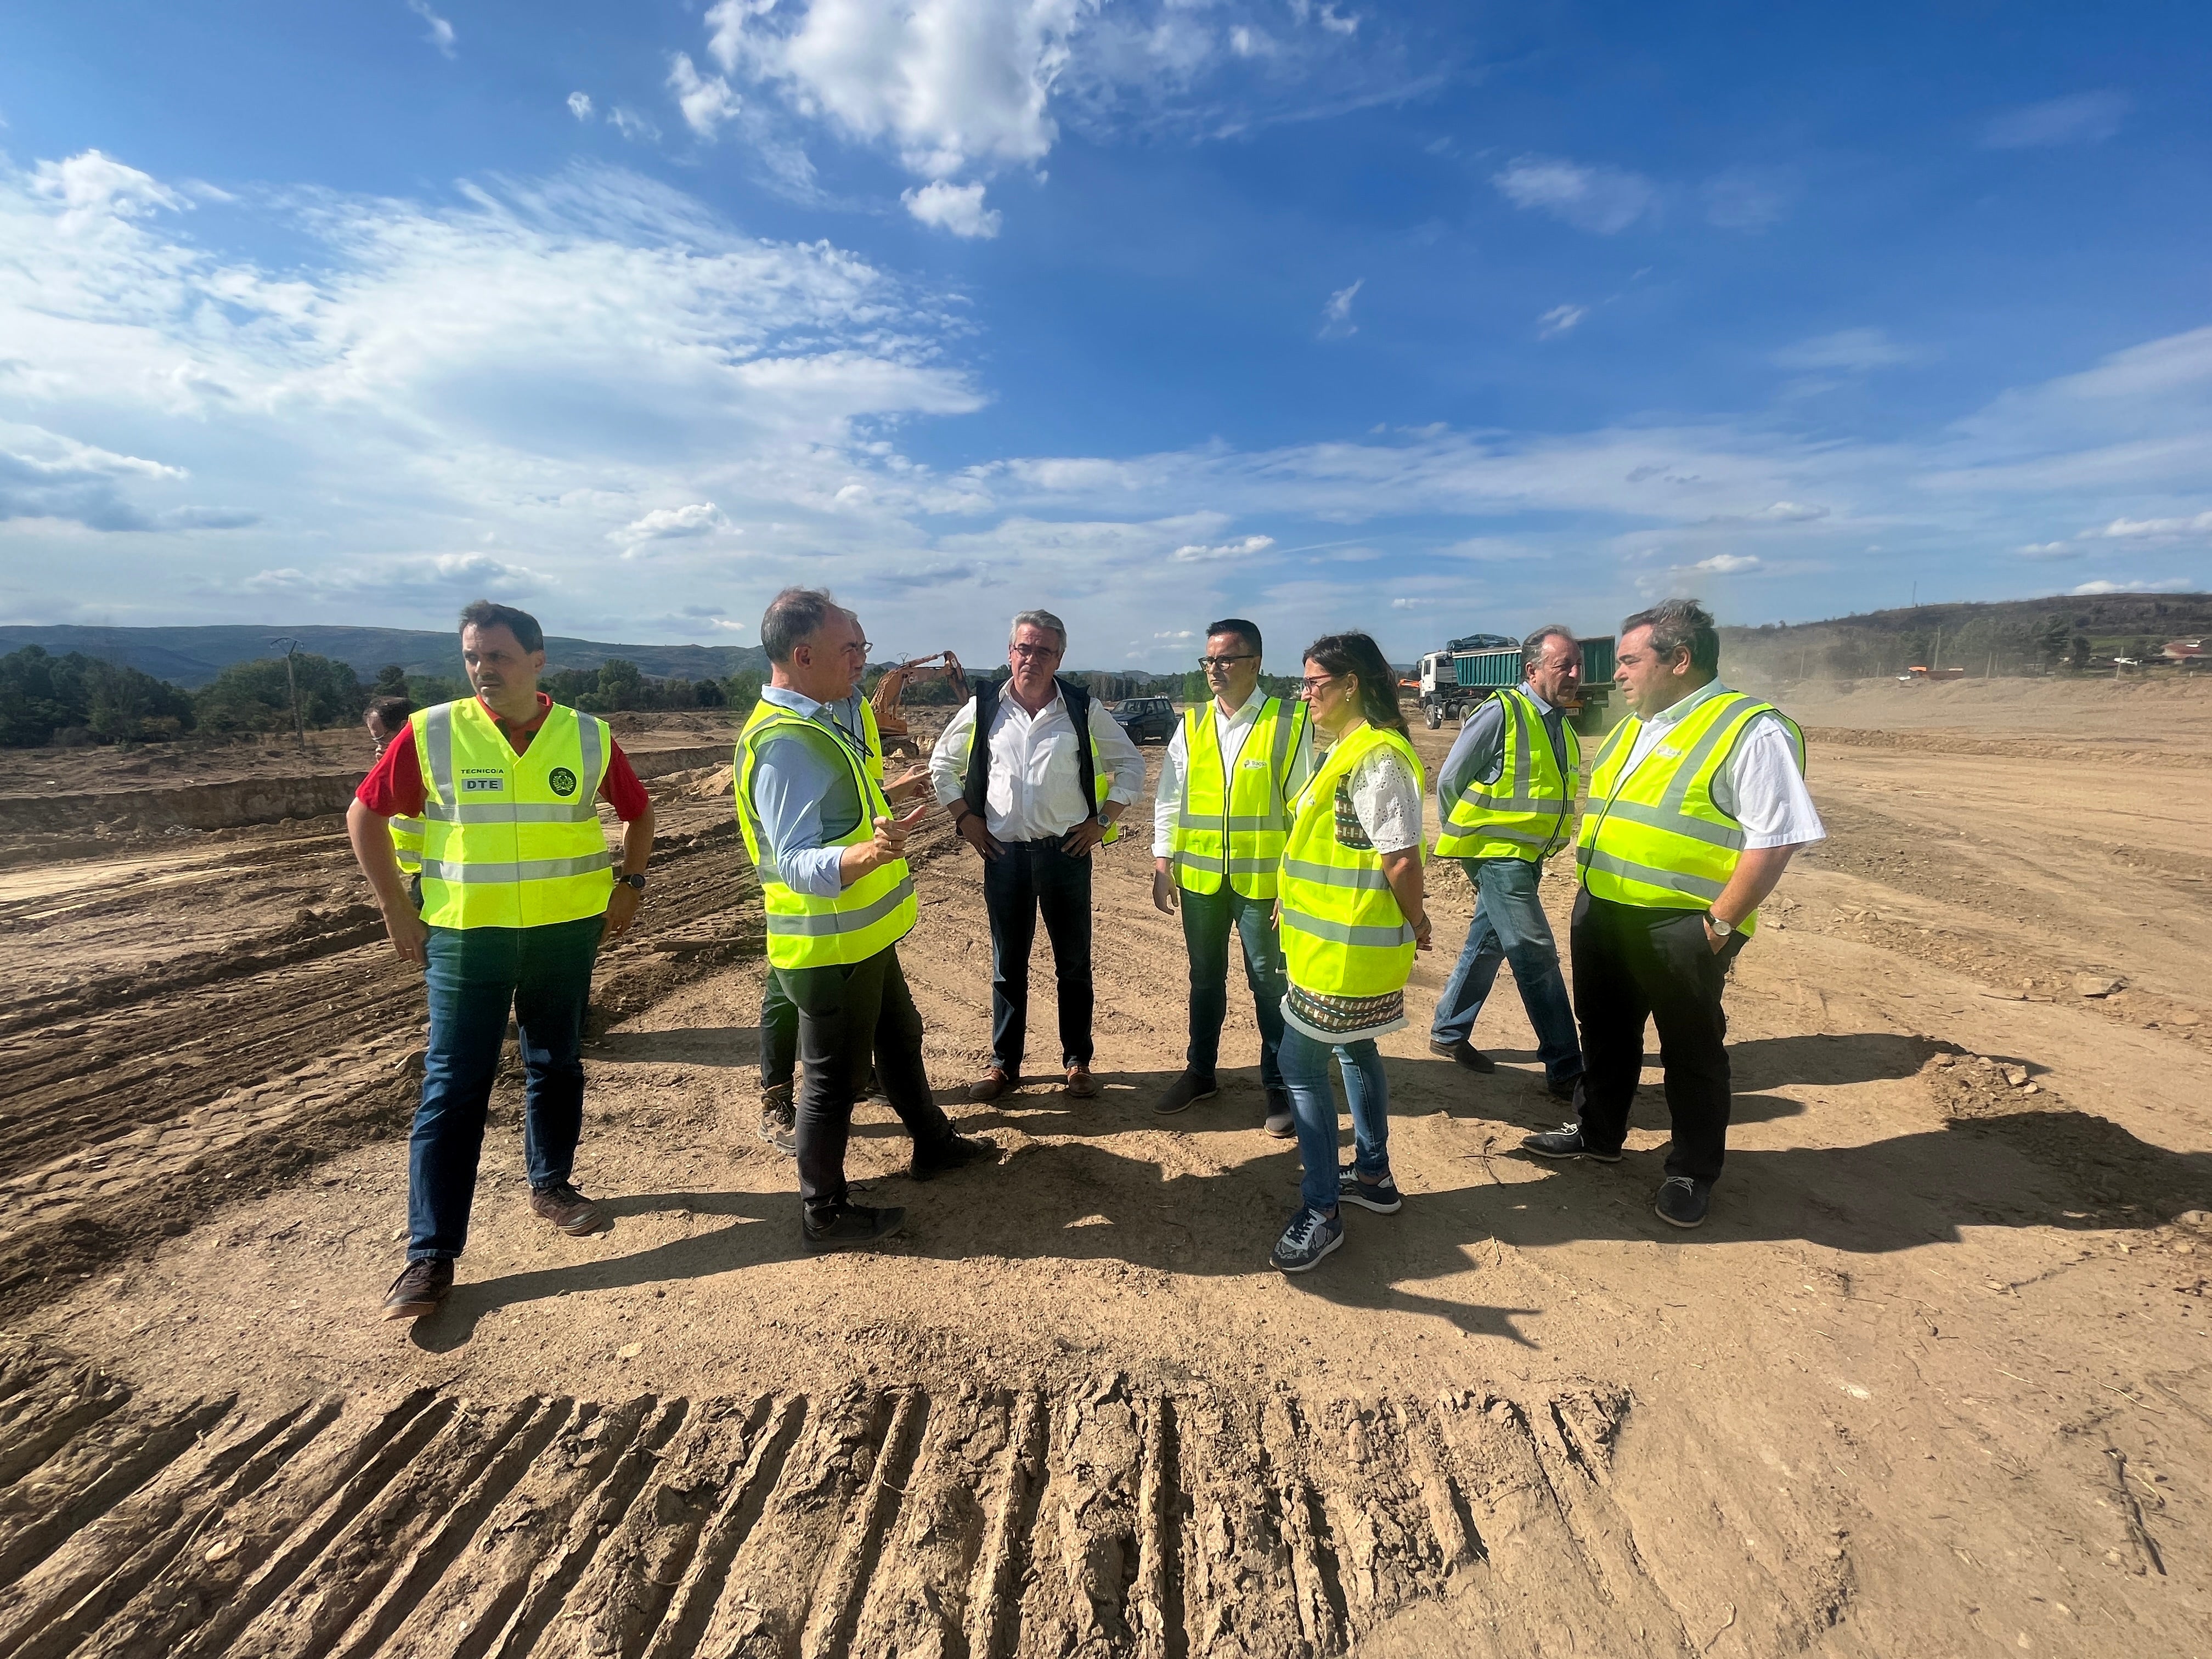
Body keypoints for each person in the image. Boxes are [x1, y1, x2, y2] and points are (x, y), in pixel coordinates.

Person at [348, 601, 656, 1321]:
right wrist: (395, 906)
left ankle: (551, 1186)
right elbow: (365, 815)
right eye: (473, 658)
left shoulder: (586, 736)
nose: (484, 671)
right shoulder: (432, 733)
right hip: (465, 937)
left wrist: (630, 886)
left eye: (499, 657)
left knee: (556, 1062)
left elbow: (639, 812)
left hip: (563, 933)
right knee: (454, 1087)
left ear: (538, 661)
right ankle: (429, 1257)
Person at [1522, 597, 1824, 1229]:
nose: (1618, 674)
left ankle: (1692, 1168)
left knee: (1689, 1047)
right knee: (1604, 1031)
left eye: (1630, 660)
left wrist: (1715, 927)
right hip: (1605, 910)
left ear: (1679, 660)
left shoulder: (1750, 728)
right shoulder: (1634, 725)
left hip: (1682, 925)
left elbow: (1776, 838)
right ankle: (1600, 1134)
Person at [736, 587, 996, 1250]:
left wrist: (888, 797)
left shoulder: (821, 720)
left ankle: (933, 1144)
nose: (862, 661)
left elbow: (835, 811)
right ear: (803, 654)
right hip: (830, 949)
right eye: (851, 648)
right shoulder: (787, 743)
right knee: (832, 1082)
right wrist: (870, 851)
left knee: (901, 1035)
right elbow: (794, 861)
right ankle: (824, 1209)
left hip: (864, 937)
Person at [929, 610, 1144, 1103]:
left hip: (1065, 855)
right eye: (1024, 648)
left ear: (1059, 657)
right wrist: (965, 818)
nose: (1031, 658)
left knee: (1074, 965)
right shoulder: (985, 705)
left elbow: (1130, 763)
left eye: (1044, 650)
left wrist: (1103, 822)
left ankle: (1078, 1063)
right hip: (1004, 857)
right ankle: (1004, 1066)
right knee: (1009, 965)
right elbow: (941, 763)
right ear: (1010, 653)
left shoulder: (1080, 707)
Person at [1269, 632, 1432, 1273]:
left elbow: (1398, 857)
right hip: (1328, 944)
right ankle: (1372, 1177)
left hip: (1340, 956)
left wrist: (1418, 919)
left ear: (1352, 684)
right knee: (1357, 1049)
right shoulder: (1349, 751)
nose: (1305, 694)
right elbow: (1338, 849)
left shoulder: (1374, 758)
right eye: (1303, 683)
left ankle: (1322, 1211)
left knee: (1300, 1068)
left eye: (1315, 682)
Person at [1150, 618, 1312, 1135]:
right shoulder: (1193, 722)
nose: (1214, 670)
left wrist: (1294, 883)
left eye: (1225, 660)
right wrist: (1162, 861)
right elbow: (1171, 796)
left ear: (1255, 664)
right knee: (1205, 978)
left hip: (1264, 882)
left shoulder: (1288, 722)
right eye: (1209, 660)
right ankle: (1201, 1072)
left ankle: (1279, 1084)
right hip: (1199, 877)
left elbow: (1304, 808)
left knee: (1270, 983)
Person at [1429, 626, 1586, 1099]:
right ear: (1533, 670)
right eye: (1565, 666)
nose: (1576, 675)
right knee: (1535, 954)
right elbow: (1450, 781)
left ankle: (1449, 1032)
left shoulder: (1559, 721)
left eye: (1579, 665)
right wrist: (1468, 845)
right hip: (1499, 858)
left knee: (1489, 941)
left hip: (1528, 856)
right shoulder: (1501, 712)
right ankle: (1566, 1065)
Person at [365, 695, 424, 895]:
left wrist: (391, 766)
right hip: (424, 869)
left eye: (381, 738)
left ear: (403, 727)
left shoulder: (428, 761)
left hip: (441, 868)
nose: (379, 745)